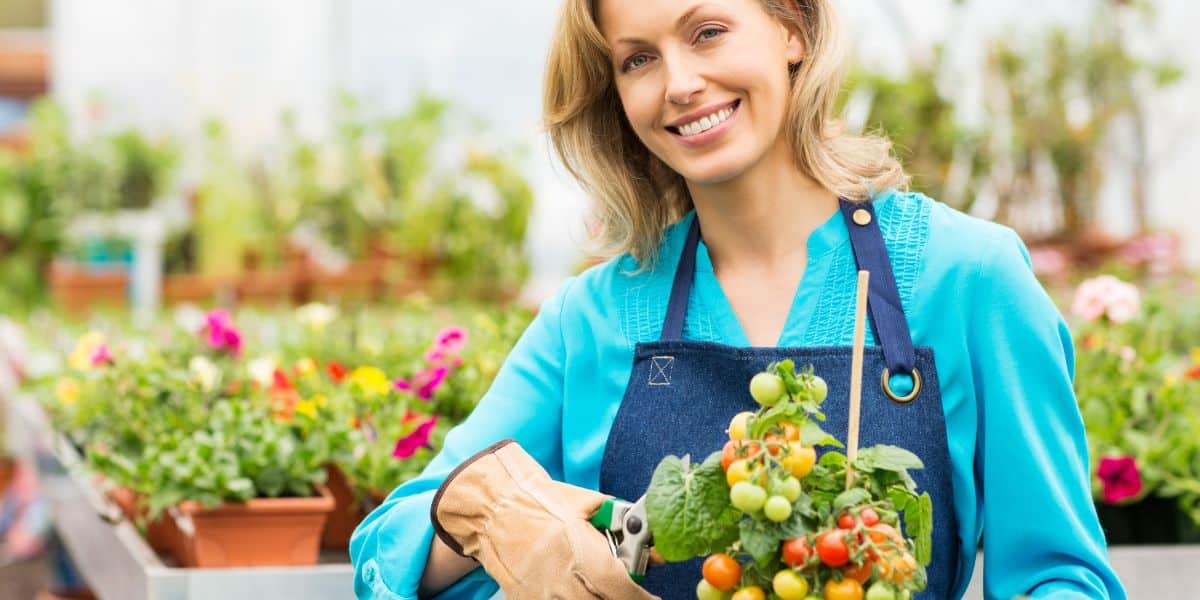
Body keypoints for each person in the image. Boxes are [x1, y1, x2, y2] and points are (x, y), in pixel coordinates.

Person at [350, 0, 1127, 598]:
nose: (680, 84)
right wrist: (496, 516)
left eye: (709, 31)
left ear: (792, 27)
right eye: (638, 59)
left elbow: (1059, 575)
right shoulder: (591, 319)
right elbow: (390, 543)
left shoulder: (968, 280)